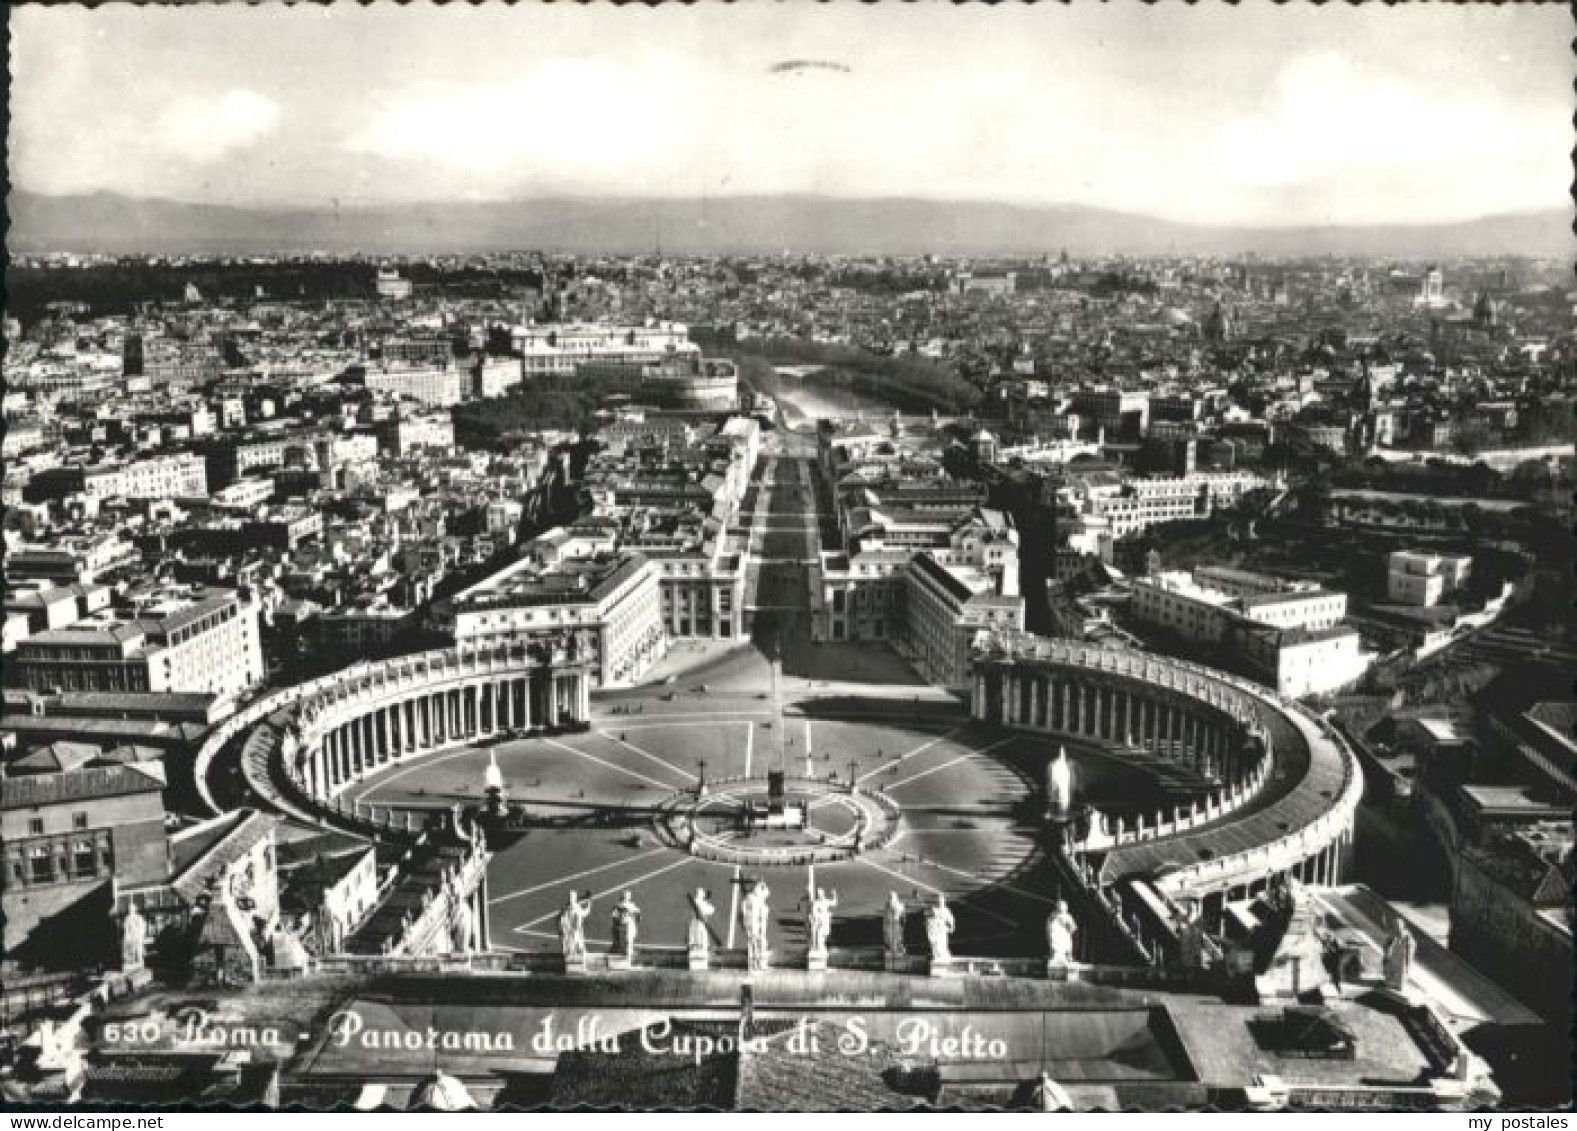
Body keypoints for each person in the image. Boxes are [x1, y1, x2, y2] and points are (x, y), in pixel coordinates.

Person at [558, 890, 592, 964]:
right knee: (580, 947)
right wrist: (589, 904)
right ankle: (582, 963)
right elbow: (584, 913)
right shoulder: (575, 907)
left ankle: (570, 960)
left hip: (570, 931)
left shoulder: (566, 907)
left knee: (571, 948)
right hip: (575, 931)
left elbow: (561, 919)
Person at [924, 894, 955, 964]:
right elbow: (927, 915)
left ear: (944, 902)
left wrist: (952, 926)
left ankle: (944, 960)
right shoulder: (933, 909)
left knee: (942, 945)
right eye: (938, 901)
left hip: (942, 931)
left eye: (941, 901)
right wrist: (931, 914)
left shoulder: (946, 910)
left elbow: (951, 919)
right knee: (935, 945)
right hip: (934, 931)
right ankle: (938, 959)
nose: (940, 902)